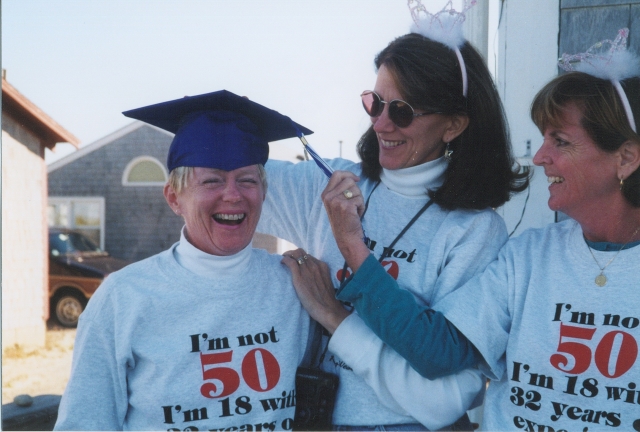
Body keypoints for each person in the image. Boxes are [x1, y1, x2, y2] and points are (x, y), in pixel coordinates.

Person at [309, 30, 640, 430]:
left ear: (625, 159)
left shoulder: (479, 233)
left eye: (561, 141)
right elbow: (437, 350)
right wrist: (352, 256)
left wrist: (346, 273)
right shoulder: (527, 257)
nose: (539, 157)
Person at [258, 2, 528, 429]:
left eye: (401, 111)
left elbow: (442, 396)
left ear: (453, 125)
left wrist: (339, 294)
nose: (381, 124)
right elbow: (231, 185)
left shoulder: (473, 230)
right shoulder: (335, 185)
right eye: (375, 103)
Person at [54, 91, 312, 430]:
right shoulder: (123, 298)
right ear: (174, 197)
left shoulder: (296, 287)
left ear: (263, 193)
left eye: (247, 180)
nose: (233, 194)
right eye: (212, 181)